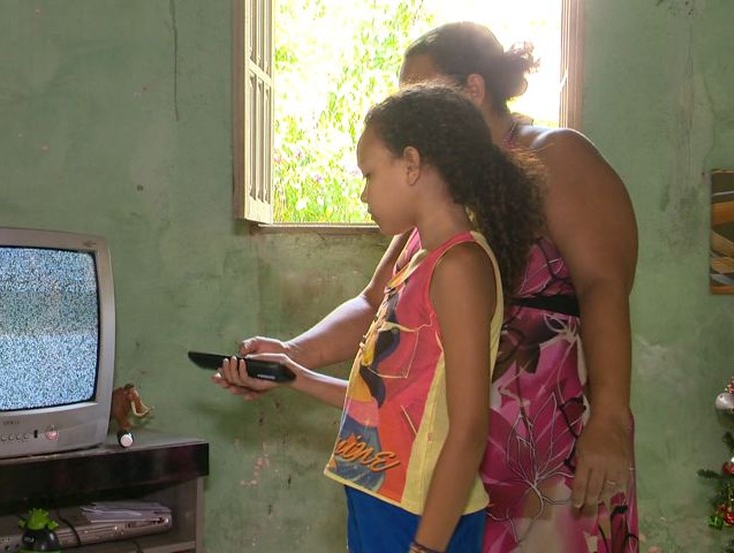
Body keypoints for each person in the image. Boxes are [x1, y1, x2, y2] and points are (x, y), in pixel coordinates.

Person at [216, 22, 639, 553]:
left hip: (550, 435)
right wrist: (290, 355)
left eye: (420, 92)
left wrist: (610, 418)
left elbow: (604, 286)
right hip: (446, 461)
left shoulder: (554, 156)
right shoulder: (440, 208)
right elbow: (377, 305)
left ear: (474, 90)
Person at [218, 84, 546, 553]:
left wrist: (428, 546)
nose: (363, 192)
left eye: (370, 174)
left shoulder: (459, 268)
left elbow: (469, 427)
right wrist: (291, 373)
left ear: (411, 164)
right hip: (380, 494)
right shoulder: (416, 262)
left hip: (424, 514)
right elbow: (385, 401)